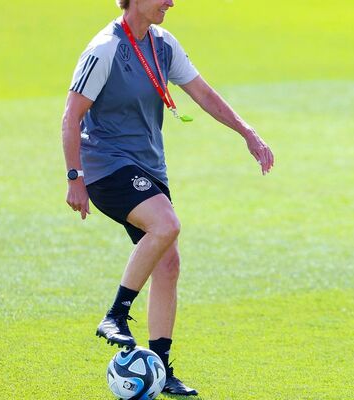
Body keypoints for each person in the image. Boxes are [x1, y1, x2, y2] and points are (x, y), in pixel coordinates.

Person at [61, 0, 274, 395]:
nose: (171, 2)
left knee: (168, 263)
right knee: (167, 225)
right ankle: (115, 315)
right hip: (106, 165)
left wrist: (247, 132)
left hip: (148, 167)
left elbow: (203, 93)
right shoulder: (105, 48)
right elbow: (71, 115)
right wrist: (75, 177)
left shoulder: (163, 44)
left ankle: (159, 367)